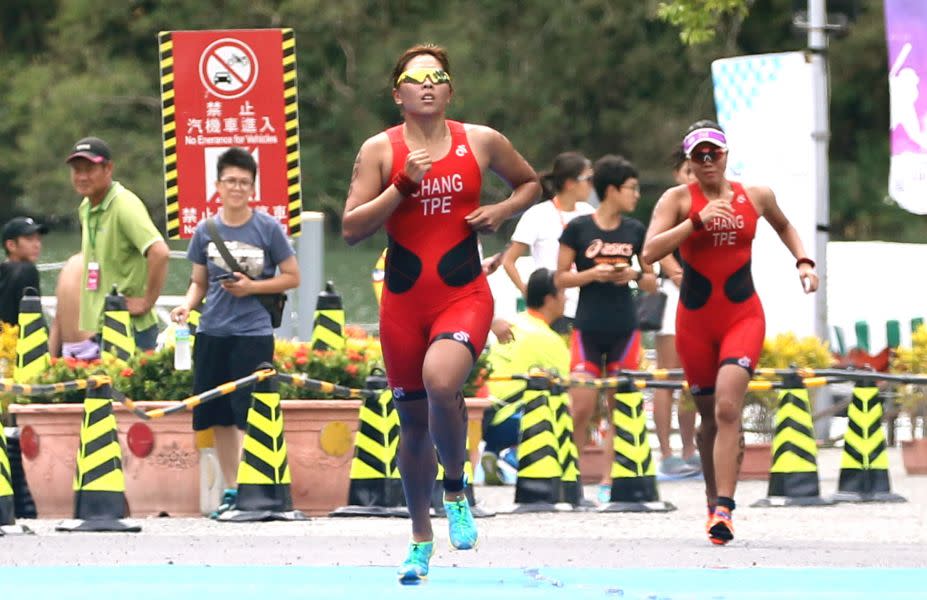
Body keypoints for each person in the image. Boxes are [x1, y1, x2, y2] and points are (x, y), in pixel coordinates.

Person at [341, 44, 540, 582]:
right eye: (415, 77)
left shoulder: (480, 140)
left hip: (463, 293)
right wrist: (402, 186)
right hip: (404, 302)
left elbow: (531, 183)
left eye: (438, 76)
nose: (427, 84)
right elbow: (352, 228)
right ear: (398, 92)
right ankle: (419, 539)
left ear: (450, 90)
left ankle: (455, 486)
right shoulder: (380, 150)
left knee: (440, 381)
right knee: (410, 423)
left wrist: (501, 209)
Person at [641, 120, 819, 545]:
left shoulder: (755, 195)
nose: (707, 161)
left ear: (725, 154)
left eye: (713, 153)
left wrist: (804, 261)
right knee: (708, 419)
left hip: (742, 315)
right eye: (698, 155)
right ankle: (711, 500)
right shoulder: (677, 199)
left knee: (726, 408)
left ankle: (725, 507)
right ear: (689, 159)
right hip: (695, 322)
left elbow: (785, 226)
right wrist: (696, 223)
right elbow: (648, 252)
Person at [170, 147, 300, 515]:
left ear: (253, 187)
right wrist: (187, 305)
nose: (237, 188)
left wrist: (252, 288)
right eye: (231, 181)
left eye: (245, 182)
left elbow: (293, 276)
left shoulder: (267, 228)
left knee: (251, 413)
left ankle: (253, 485)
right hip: (213, 331)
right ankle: (232, 488)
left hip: (253, 333)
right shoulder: (205, 231)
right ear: (218, 185)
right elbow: (198, 282)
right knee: (219, 415)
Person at [556, 154, 657, 502]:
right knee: (581, 406)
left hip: (625, 329)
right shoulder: (579, 229)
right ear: (612, 190)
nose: (637, 195)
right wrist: (592, 275)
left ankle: (609, 482)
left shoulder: (635, 230)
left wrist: (632, 275)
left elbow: (651, 282)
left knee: (622, 408)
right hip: (587, 326)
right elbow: (560, 277)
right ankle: (570, 480)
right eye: (632, 188)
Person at [67, 137, 170, 352]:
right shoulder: (86, 206)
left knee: (125, 386)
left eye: (89, 169)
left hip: (129, 327)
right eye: (77, 170)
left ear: (108, 168)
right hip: (102, 324)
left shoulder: (124, 204)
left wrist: (146, 302)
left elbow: (159, 252)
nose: (82, 176)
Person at [480, 268, 570, 485]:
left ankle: (494, 453)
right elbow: (568, 390)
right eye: (562, 292)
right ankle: (515, 457)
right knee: (560, 402)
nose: (566, 298)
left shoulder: (511, 325)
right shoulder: (547, 339)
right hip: (515, 423)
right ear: (549, 299)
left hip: (484, 418)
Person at [500, 152, 595, 334]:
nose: (592, 184)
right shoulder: (538, 214)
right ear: (570, 183)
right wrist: (527, 291)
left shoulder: (588, 212)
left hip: (586, 306)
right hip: (553, 308)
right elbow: (508, 260)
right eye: (588, 178)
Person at [652, 151, 701, 480]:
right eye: (687, 170)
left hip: (704, 297)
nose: (693, 176)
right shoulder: (672, 202)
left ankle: (688, 448)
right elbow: (658, 246)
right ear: (676, 173)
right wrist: (678, 276)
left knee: (691, 378)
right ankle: (666, 452)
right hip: (674, 294)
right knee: (667, 376)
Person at [48, 253, 98, 359]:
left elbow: (58, 319)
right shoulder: (96, 262)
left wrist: (49, 362)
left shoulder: (71, 263)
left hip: (69, 350)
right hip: (91, 348)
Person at [0, 217, 47, 327]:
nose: (37, 245)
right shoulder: (27, 271)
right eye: (30, 239)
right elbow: (33, 320)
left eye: (38, 239)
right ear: (11, 245)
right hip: (16, 341)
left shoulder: (4, 271)